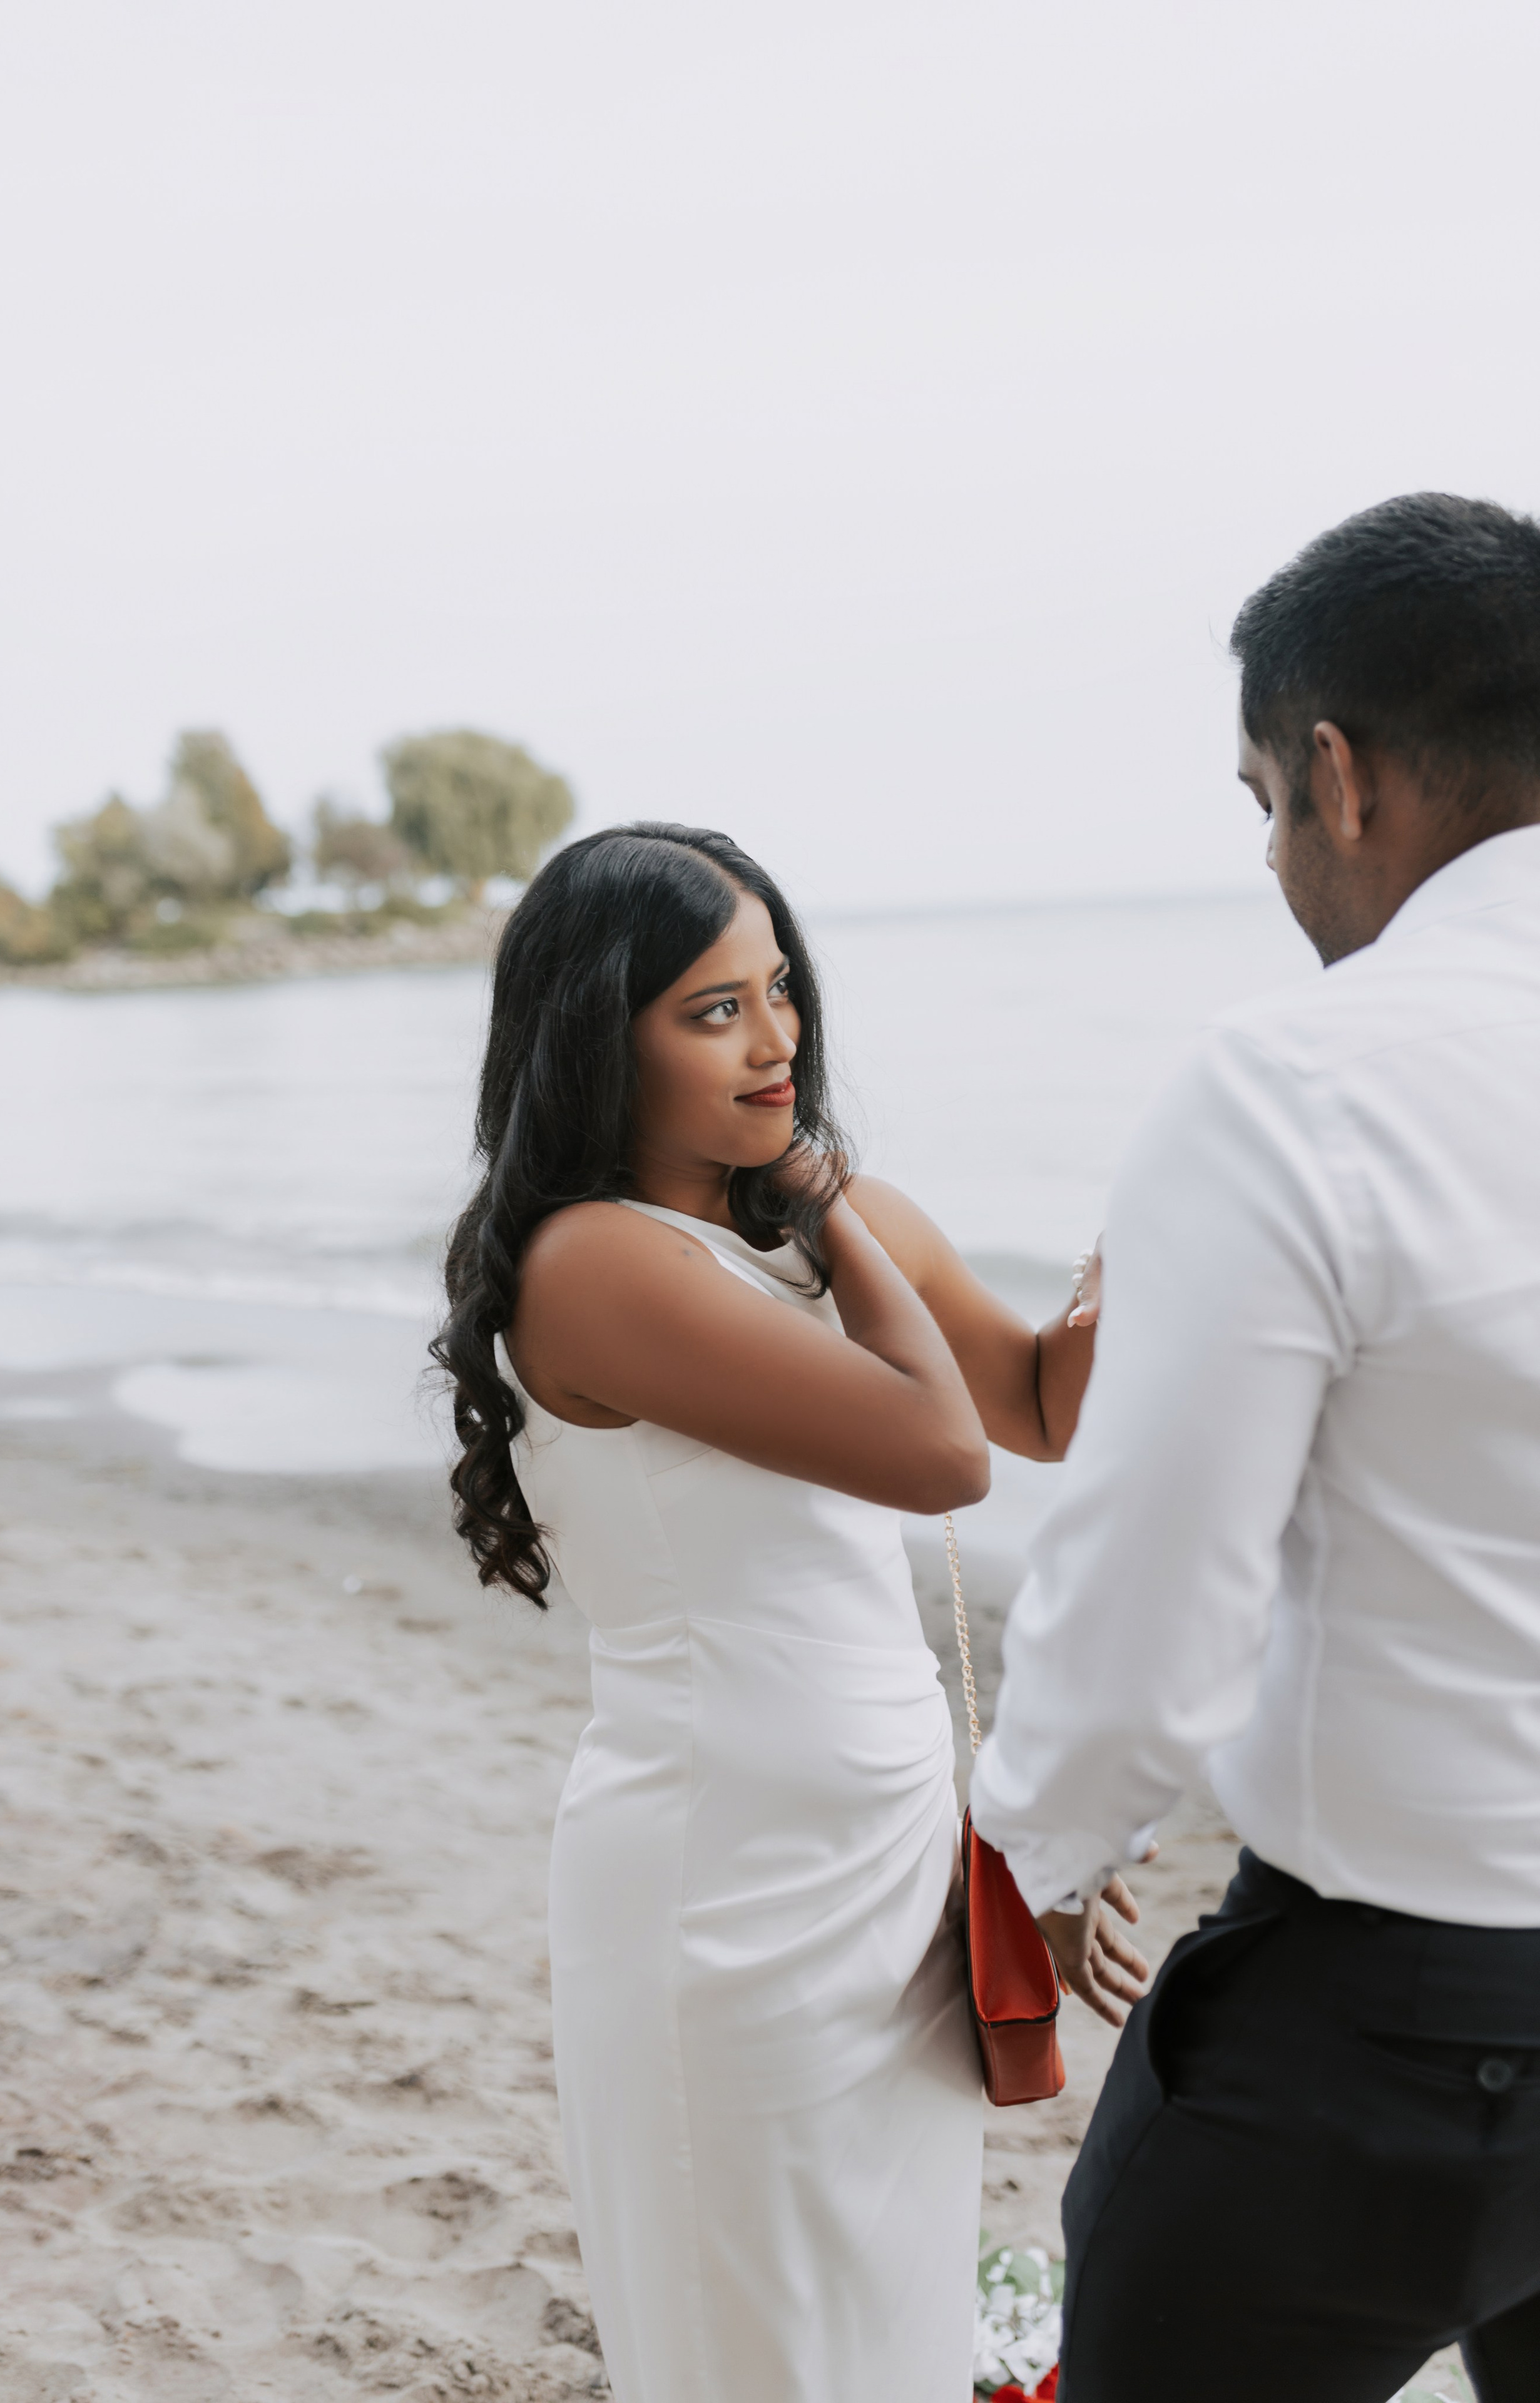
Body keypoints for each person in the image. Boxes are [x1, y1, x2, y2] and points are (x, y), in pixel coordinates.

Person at [969, 492, 1540, 2402]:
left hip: (1393, 2020)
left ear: (1338, 774)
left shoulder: (1302, 1083)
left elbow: (1153, 1607)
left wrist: (1038, 1854)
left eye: (1265, 804)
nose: (1279, 863)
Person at [433, 824, 1111, 2403]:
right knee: (761, 2350)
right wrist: (829, 1208)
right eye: (713, 1010)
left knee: (890, 2333)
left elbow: (1032, 1404)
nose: (776, 1039)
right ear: (597, 1037)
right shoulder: (593, 1264)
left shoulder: (830, 1227)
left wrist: (1168, 1234)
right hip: (723, 1895)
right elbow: (942, 1453)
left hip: (892, 1865)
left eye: (780, 988)